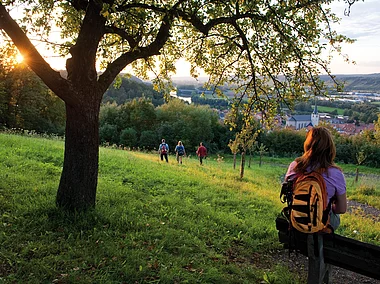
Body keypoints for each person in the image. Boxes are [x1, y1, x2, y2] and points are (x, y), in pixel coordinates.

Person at [284, 126, 347, 284]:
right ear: (329, 148)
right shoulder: (335, 174)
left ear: (307, 145)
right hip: (319, 229)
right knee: (333, 217)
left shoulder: (295, 166)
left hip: (296, 223)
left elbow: (287, 193)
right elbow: (341, 209)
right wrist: (324, 207)